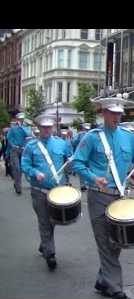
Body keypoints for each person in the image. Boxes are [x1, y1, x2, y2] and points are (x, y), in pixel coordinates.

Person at [72, 97, 134, 299]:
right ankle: (115, 286)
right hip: (99, 196)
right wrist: (93, 178)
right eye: (112, 113)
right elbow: (77, 163)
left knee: (116, 241)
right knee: (105, 241)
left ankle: (103, 279)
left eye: (119, 114)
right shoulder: (91, 137)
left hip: (121, 196)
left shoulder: (129, 137)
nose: (116, 117)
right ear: (103, 113)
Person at [21, 114, 73, 270]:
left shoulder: (62, 144)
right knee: (44, 221)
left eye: (49, 127)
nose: (46, 130)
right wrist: (35, 172)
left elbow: (70, 162)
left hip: (58, 191)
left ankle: (44, 243)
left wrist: (71, 162)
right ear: (38, 129)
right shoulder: (31, 146)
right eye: (43, 127)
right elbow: (24, 164)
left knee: (54, 221)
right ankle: (50, 254)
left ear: (53, 128)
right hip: (39, 190)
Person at [7, 112, 32, 194]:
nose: (22, 119)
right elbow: (9, 138)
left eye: (23, 118)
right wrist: (13, 146)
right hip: (14, 150)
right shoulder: (13, 128)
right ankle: (18, 187)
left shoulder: (25, 127)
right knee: (17, 168)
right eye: (20, 118)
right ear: (17, 119)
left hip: (23, 150)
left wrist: (23, 127)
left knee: (22, 168)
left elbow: (28, 135)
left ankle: (16, 183)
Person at [72, 123, 91, 191]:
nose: (86, 130)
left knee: (83, 169)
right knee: (87, 169)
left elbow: (73, 143)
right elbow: (74, 143)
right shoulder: (91, 134)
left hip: (84, 155)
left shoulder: (81, 135)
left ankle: (84, 184)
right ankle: (85, 184)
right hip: (87, 156)